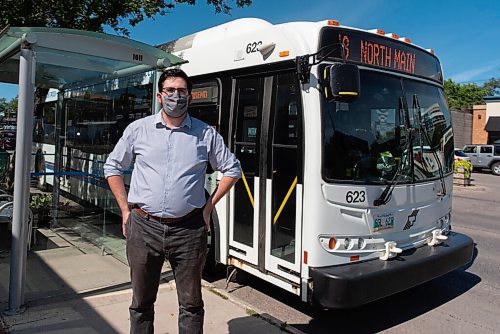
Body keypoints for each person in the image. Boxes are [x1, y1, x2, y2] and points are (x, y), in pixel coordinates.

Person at [103, 68, 241, 334]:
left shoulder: (205, 134)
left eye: (181, 91)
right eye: (170, 91)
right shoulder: (138, 130)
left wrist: (209, 205)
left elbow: (232, 169)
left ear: (190, 97)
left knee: (191, 304)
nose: (176, 96)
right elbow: (113, 167)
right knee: (141, 303)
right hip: (144, 228)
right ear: (159, 95)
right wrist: (124, 210)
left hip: (189, 230)